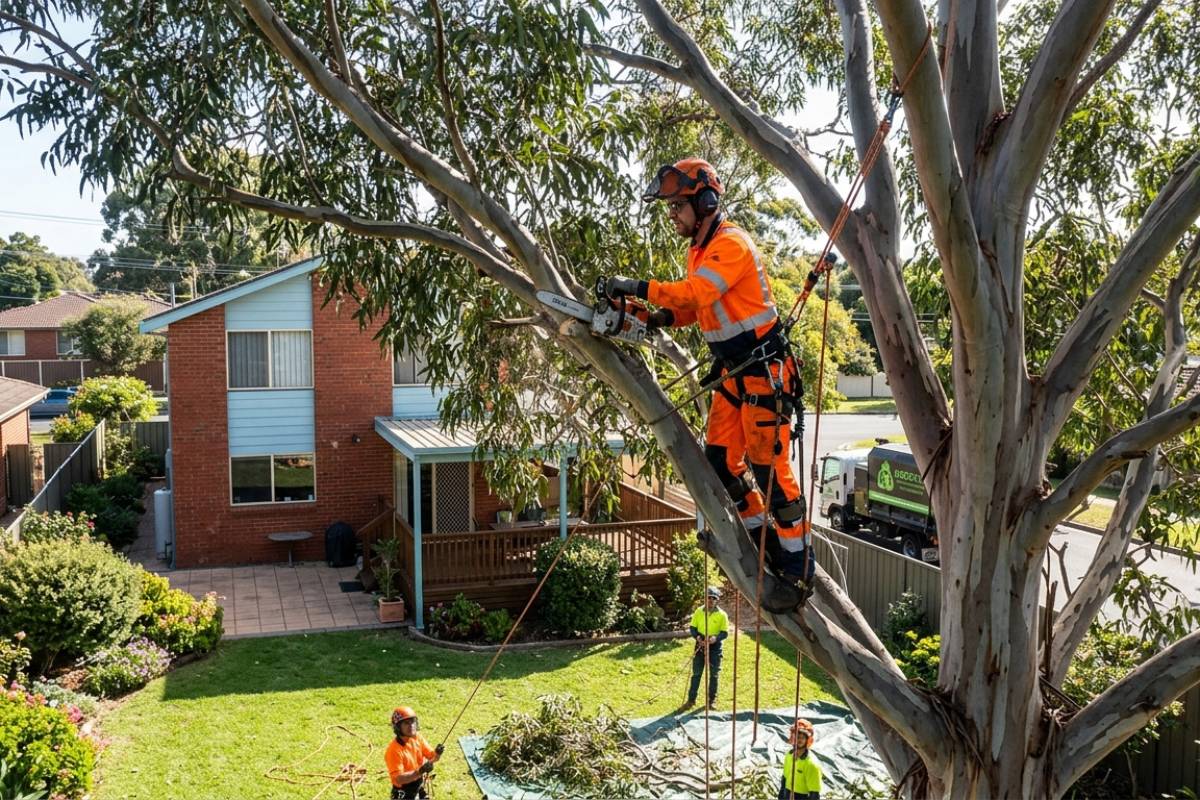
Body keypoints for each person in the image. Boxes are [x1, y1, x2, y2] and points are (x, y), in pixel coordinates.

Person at [606, 158, 815, 607]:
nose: (672, 215)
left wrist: (638, 286)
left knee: (770, 471)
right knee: (721, 462)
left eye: (678, 205)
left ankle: (798, 568)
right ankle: (765, 545)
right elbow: (692, 308)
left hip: (763, 374)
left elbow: (697, 293)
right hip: (733, 376)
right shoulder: (698, 251)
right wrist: (652, 316)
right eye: (670, 207)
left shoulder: (731, 244)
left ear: (705, 201)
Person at [683, 585, 729, 710]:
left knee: (714, 674)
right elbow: (693, 628)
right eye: (708, 598)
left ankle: (711, 701)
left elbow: (725, 633)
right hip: (700, 643)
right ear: (705, 599)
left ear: (717, 600)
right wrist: (697, 637)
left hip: (715, 647)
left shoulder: (722, 615)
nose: (711, 601)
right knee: (696, 673)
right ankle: (691, 700)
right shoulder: (698, 611)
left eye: (713, 598)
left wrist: (715, 639)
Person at [384, 706, 444, 799]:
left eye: (413, 722)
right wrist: (420, 771)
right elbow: (399, 779)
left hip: (417, 784)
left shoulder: (417, 738)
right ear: (398, 727)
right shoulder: (393, 751)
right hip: (404, 791)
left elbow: (432, 757)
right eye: (406, 723)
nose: (411, 726)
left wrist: (437, 753)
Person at [778, 718, 822, 799]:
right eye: (797, 736)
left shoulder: (811, 764)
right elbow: (784, 778)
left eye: (803, 737)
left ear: (807, 740)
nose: (800, 740)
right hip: (787, 793)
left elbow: (814, 794)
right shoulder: (789, 755)